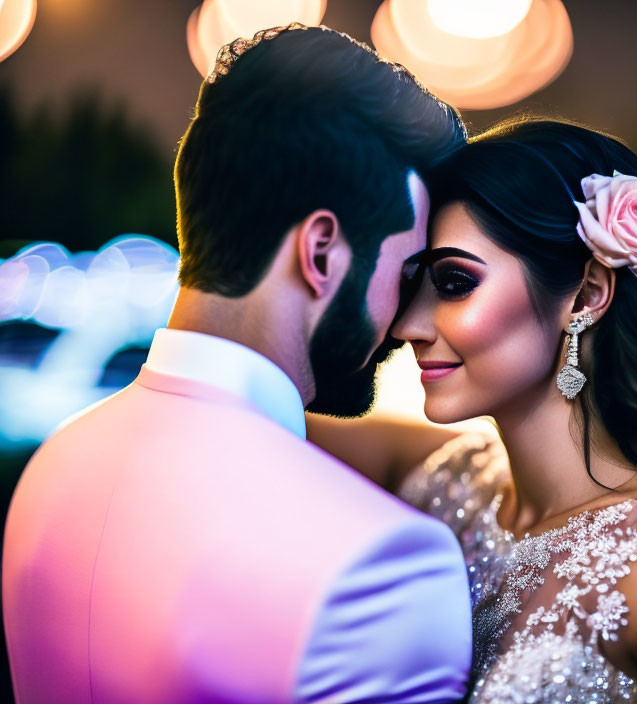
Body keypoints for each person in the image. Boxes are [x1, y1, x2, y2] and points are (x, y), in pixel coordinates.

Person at [2, 25, 473, 703]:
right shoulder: (383, 565)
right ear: (321, 253)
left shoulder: (54, 466)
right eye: (404, 275)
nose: (406, 324)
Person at [308, 118, 637, 704]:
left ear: (588, 293)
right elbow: (237, 411)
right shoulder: (451, 481)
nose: (407, 326)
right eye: (413, 285)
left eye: (454, 282)